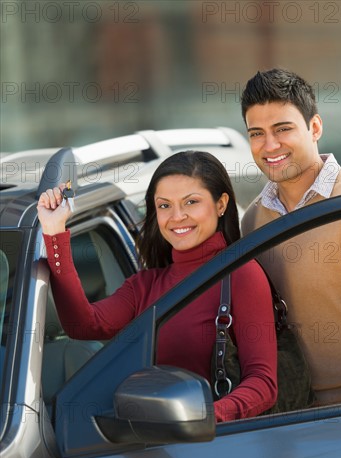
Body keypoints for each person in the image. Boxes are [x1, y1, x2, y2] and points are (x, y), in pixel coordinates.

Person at [37, 150, 277, 423]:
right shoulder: (145, 285)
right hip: (149, 450)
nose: (177, 216)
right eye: (164, 206)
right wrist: (55, 231)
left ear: (221, 204)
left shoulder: (241, 274)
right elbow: (82, 325)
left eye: (191, 202)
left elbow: (263, 384)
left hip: (213, 446)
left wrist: (204, 418)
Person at [240, 68, 341, 406]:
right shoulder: (253, 220)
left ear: (315, 127)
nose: (270, 145)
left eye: (283, 129)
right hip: (290, 414)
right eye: (257, 133)